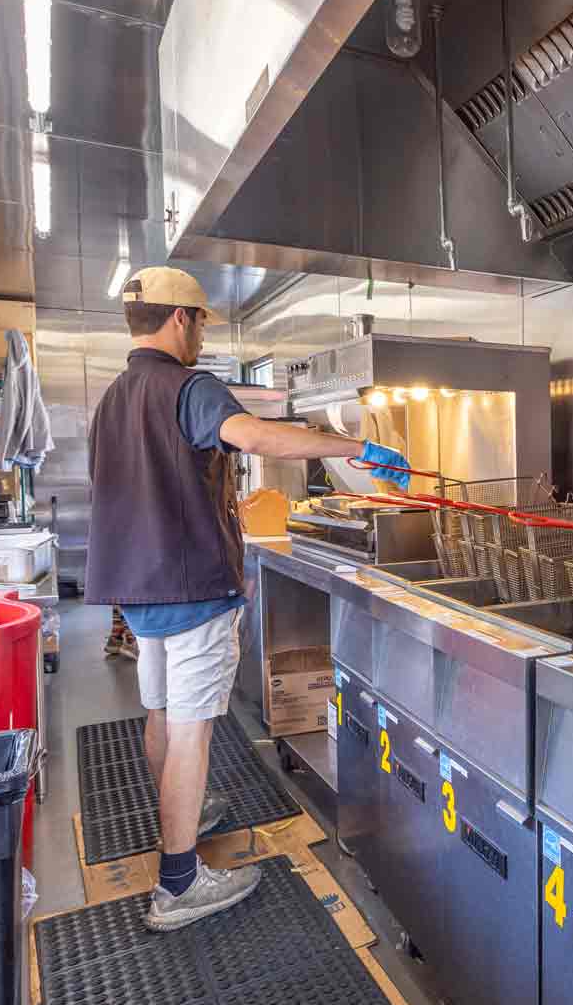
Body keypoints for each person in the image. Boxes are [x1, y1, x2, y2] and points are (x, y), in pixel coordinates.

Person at [85, 267, 407, 932]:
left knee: (162, 713)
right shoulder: (188, 385)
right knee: (190, 733)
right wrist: (360, 447)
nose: (202, 333)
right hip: (192, 589)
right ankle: (179, 884)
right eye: (202, 321)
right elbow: (254, 437)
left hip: (140, 591)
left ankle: (182, 814)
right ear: (182, 319)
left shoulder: (116, 394)